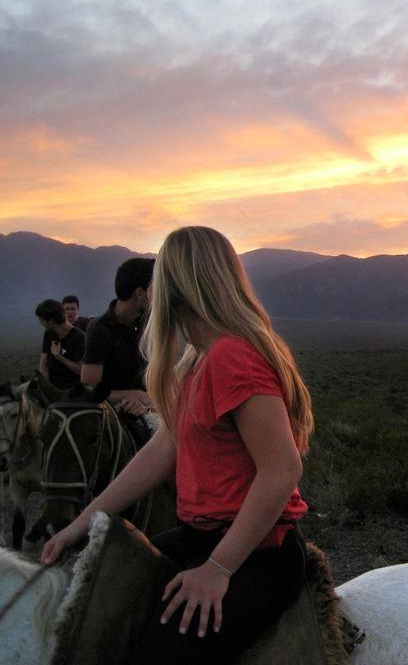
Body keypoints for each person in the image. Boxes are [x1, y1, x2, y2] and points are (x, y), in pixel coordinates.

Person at [42, 226, 314, 665]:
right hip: (197, 536)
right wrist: (84, 525)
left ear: (176, 283)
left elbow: (282, 469)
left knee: (159, 653)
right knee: (101, 595)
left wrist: (218, 569)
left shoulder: (232, 357)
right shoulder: (198, 361)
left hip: (255, 553)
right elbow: (160, 452)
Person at [81, 258, 155, 415]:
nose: (159, 295)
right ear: (140, 293)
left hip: (152, 407)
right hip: (113, 417)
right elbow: (89, 388)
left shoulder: (150, 322)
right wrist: (131, 395)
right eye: (155, 289)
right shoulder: (99, 329)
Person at [35, 298, 86, 389]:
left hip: (72, 389)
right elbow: (43, 363)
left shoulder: (79, 338)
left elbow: (81, 370)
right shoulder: (49, 333)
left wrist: (59, 357)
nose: (41, 324)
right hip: (52, 385)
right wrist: (46, 388)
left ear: (50, 321)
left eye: (41, 320)